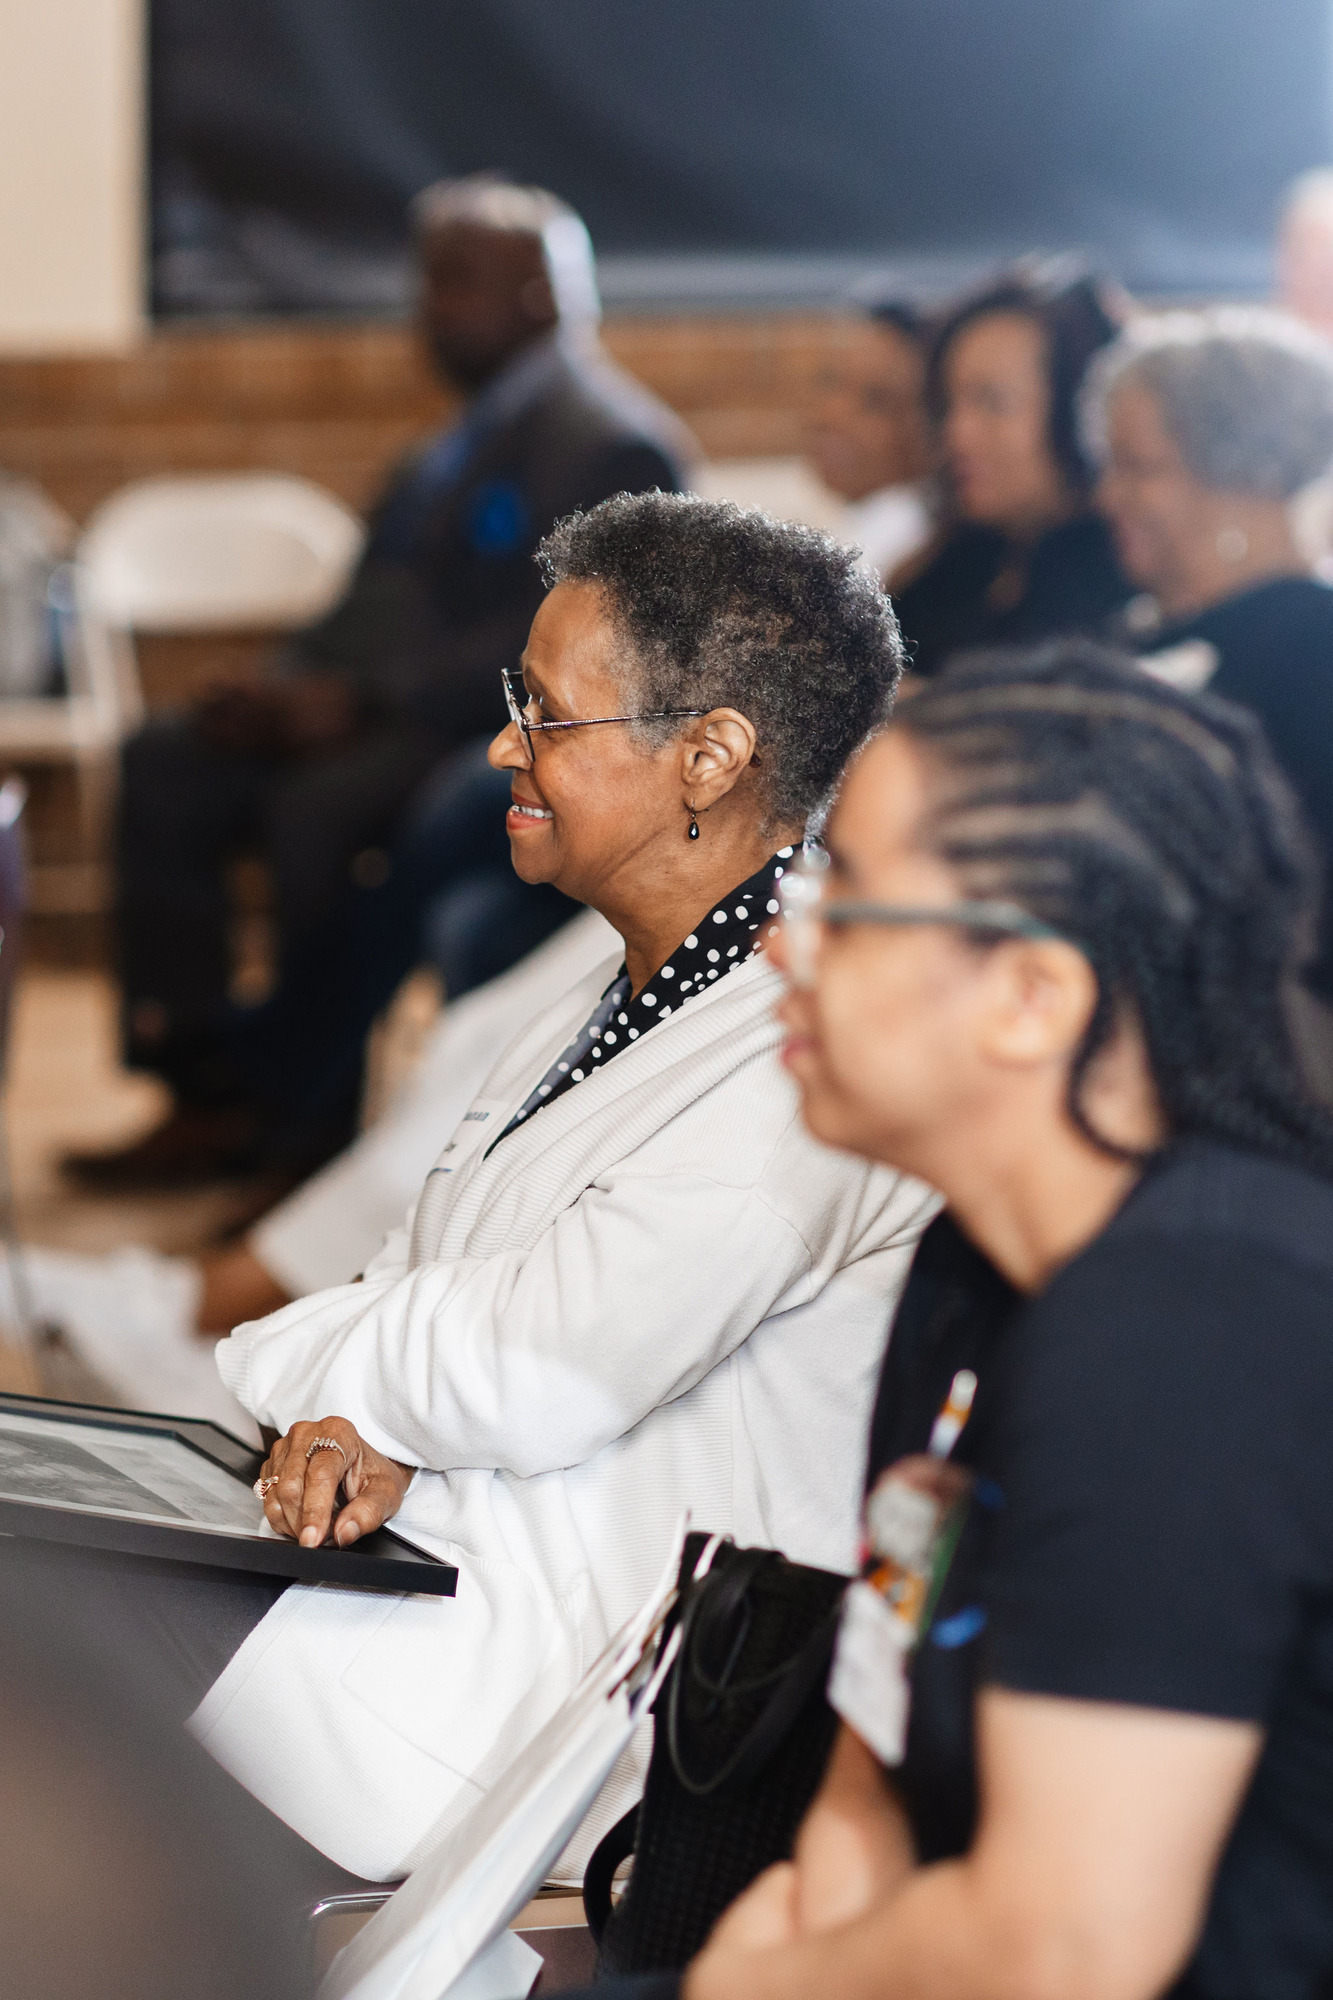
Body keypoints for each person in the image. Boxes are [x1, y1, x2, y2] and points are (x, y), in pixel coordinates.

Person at [47, 493, 935, 1890]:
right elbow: (416, 1276)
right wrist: (373, 1402)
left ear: (708, 756)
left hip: (571, 1694)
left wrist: (314, 1374)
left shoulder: (808, 1042)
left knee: (48, 1664)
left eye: (546, 713)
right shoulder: (612, 982)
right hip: (431, 1573)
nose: (500, 746)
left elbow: (537, 1368)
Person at [663, 642, 1333, 2000]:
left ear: (1034, 995)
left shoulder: (1197, 1325)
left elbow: (1072, 1944)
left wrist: (766, 1989)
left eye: (848, 897)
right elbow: (877, 1748)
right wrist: (819, 1924)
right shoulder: (973, 1263)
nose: (784, 937)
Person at [80, 174, 692, 1185]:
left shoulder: (610, 440)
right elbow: (371, 600)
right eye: (426, 283)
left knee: (315, 812)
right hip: (365, 708)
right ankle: (200, 1083)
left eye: (457, 283)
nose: (428, 309)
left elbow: (578, 646)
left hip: (471, 728)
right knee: (167, 762)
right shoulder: (448, 443)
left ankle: (305, 1128)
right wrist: (282, 687)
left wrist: (355, 703)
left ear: (541, 292)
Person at [1088, 306, 1333, 998]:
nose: (1108, 496)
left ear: (1240, 472)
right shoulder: (1127, 631)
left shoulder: (1315, 643)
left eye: (1137, 467)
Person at [891, 261, 1131, 677]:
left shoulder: (1124, 590)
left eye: (992, 402)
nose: (956, 435)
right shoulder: (957, 561)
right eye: (949, 405)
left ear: (1080, 414)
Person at [804, 300, 935, 583]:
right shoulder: (861, 528)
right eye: (831, 382)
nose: (830, 415)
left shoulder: (895, 545)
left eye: (875, 401)